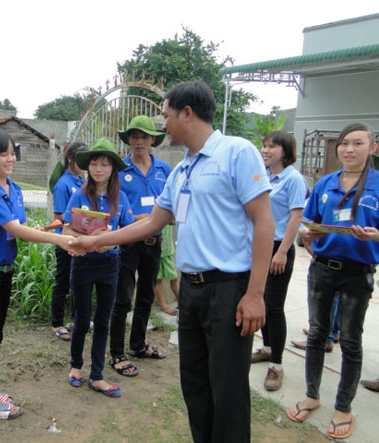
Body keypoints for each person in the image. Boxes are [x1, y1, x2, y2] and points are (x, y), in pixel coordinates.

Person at [69, 81, 274, 442]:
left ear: (187, 114)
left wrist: (255, 293)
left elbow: (264, 221)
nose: (162, 124)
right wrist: (96, 240)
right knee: (194, 384)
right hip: (191, 294)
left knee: (227, 389)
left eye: (165, 116)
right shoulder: (182, 171)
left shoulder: (236, 153)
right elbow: (151, 223)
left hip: (229, 291)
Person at [0, 129, 78, 419]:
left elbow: (19, 229)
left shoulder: (13, 189)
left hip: (4, 271)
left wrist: (39, 232)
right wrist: (61, 240)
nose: (10, 158)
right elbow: (15, 230)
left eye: (12, 152)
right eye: (3, 153)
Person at [286, 122, 379, 440]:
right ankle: (312, 394)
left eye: (357, 144)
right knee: (316, 335)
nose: (349, 150)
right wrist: (307, 233)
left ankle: (343, 407)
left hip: (357, 273)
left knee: (351, 341)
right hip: (322, 269)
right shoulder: (325, 183)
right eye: (344, 144)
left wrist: (374, 235)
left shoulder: (377, 186)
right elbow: (307, 223)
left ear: (372, 148)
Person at [62, 137, 135, 397]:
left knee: (103, 320)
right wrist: (85, 241)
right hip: (82, 264)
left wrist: (109, 241)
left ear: (113, 168)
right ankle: (75, 367)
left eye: (104, 164)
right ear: (88, 167)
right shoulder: (79, 195)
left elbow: (127, 229)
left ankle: (97, 375)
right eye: (94, 163)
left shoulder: (122, 198)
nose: (99, 169)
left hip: (109, 264)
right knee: (82, 319)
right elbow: (66, 227)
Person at [109, 115, 171, 378]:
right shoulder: (120, 169)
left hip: (154, 242)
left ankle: (137, 345)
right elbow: (113, 208)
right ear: (129, 140)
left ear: (152, 140)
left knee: (146, 295)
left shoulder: (164, 169)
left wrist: (158, 221)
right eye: (134, 137)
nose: (139, 141)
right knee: (123, 297)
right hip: (128, 243)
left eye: (144, 137)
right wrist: (140, 219)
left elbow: (171, 203)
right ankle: (116, 353)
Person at [250, 131, 307, 391]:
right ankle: (267, 348)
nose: (265, 150)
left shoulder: (293, 179)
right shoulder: (264, 175)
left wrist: (283, 251)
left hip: (278, 247)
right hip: (260, 245)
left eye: (272, 146)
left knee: (273, 307)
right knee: (259, 301)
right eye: (264, 145)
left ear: (285, 150)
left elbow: (295, 218)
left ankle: (277, 365)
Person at [49, 141, 89, 341]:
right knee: (63, 282)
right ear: (71, 159)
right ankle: (57, 323)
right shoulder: (63, 184)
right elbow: (59, 217)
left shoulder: (82, 182)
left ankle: (77, 318)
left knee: (78, 282)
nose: (85, 164)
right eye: (81, 160)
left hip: (80, 240)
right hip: (65, 241)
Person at [153, 223, 179, 315]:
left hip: (168, 250)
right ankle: (163, 304)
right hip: (155, 251)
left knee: (174, 278)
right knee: (158, 280)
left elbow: (174, 221)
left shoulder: (169, 211)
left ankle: (181, 302)